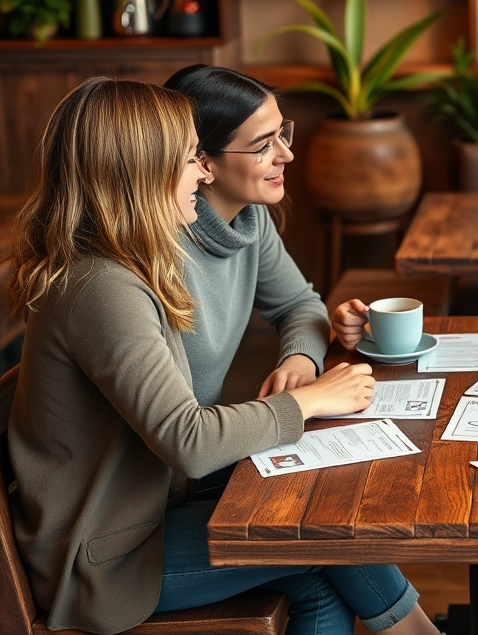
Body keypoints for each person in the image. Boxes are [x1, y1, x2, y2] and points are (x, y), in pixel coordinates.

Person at [6, 78, 440, 635]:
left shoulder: (126, 261)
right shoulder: (103, 287)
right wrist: (310, 399)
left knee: (313, 545)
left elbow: (296, 307)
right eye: (190, 159)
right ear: (141, 174)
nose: (202, 173)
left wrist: (304, 372)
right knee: (314, 532)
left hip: (152, 506)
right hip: (106, 558)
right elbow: (189, 441)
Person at [163, 64, 348, 407]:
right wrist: (309, 402)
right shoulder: (152, 245)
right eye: (263, 146)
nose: (287, 154)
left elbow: (299, 304)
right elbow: (180, 436)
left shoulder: (249, 217)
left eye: (282, 134)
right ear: (202, 160)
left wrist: (300, 360)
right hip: (173, 451)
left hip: (201, 444)